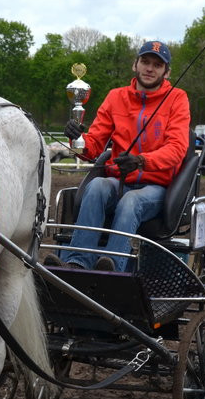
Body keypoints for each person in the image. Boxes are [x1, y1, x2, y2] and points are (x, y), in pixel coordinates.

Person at [56, 40, 191, 272]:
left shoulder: (177, 99)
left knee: (132, 201)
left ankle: (112, 267)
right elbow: (94, 145)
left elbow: (177, 148)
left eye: (157, 65)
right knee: (97, 185)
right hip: (118, 181)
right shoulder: (116, 97)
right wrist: (76, 138)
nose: (149, 68)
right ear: (135, 65)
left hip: (156, 188)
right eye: (145, 62)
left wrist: (142, 161)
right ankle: (77, 262)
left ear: (166, 72)